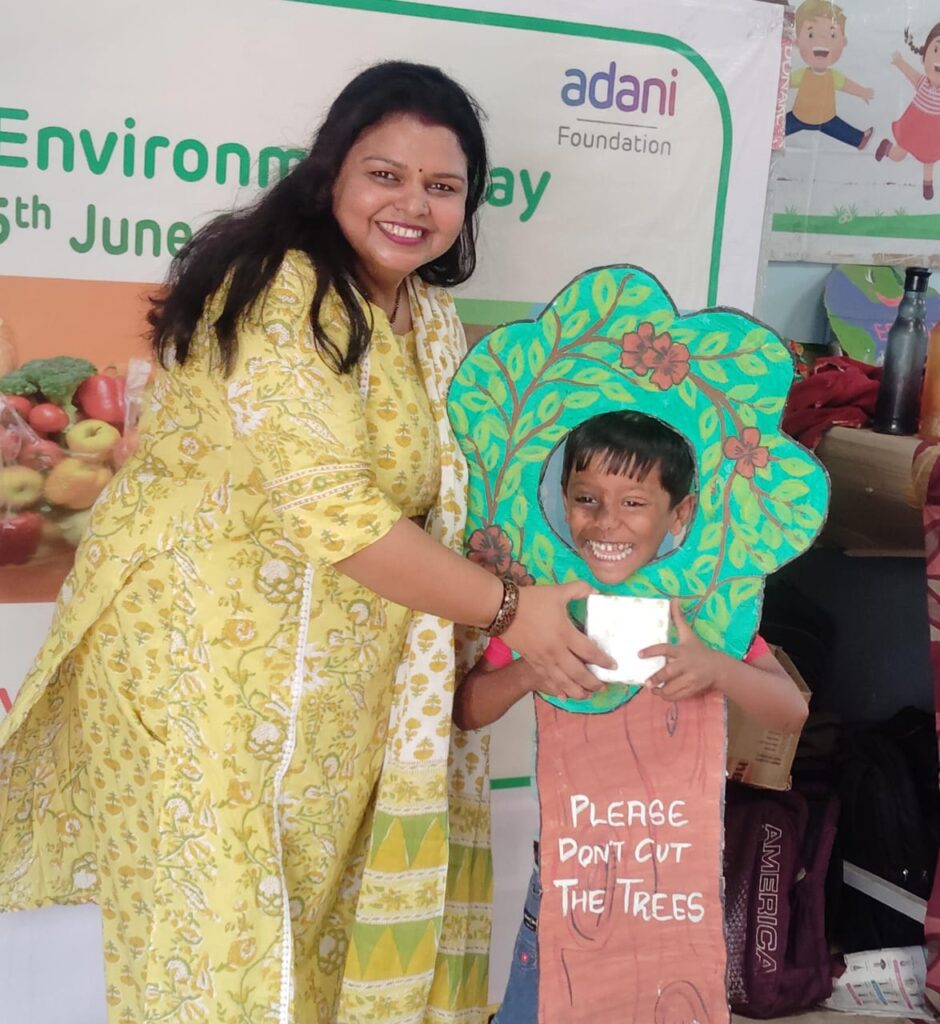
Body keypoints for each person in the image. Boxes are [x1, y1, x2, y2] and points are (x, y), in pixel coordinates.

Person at [0, 62, 613, 1024]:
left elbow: (452, 493)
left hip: (329, 674)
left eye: (442, 186)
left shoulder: (428, 316)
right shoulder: (275, 294)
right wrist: (510, 611)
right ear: (331, 174)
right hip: (196, 667)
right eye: (385, 174)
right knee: (218, 944)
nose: (412, 204)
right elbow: (338, 513)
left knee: (312, 933)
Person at [453, 411, 809, 1023]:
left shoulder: (703, 608)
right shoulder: (546, 604)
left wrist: (716, 668)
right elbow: (468, 710)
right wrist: (533, 668)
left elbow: (790, 711)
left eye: (634, 503)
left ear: (680, 514)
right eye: (586, 499)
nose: (606, 521)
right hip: (569, 880)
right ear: (562, 500)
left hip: (671, 888)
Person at [785, 0, 874, 150]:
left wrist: (862, 91)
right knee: (780, 127)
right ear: (797, 42)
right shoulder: (804, 74)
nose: (821, 40)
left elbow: (846, 85)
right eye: (811, 34)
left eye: (832, 35)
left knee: (782, 127)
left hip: (821, 117)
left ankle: (859, 139)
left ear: (843, 42)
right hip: (804, 116)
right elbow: (785, 82)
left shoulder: (832, 76)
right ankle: (858, 139)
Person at [876, 24, 940, 200]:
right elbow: (910, 73)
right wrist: (899, 62)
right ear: (925, 55)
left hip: (933, 133)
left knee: (930, 158)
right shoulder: (923, 83)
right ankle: (887, 148)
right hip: (914, 127)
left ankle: (927, 183)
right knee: (898, 155)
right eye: (936, 49)